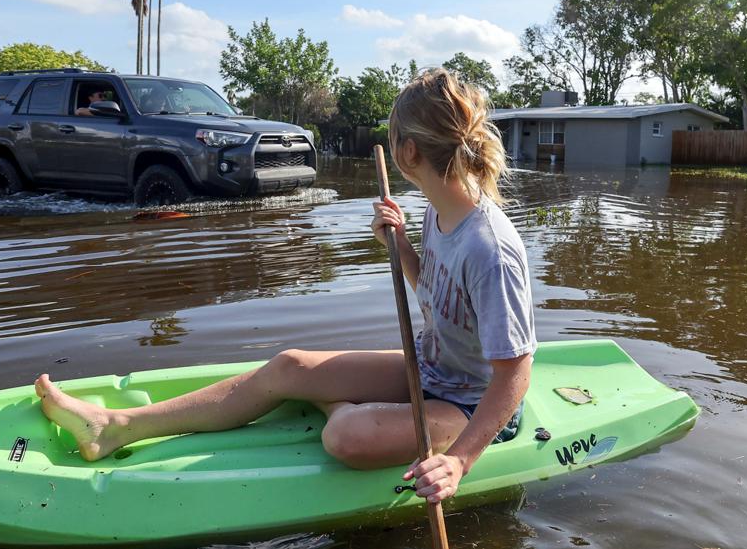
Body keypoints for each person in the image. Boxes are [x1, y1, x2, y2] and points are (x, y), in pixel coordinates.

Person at [35, 68, 536, 504]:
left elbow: (514, 374)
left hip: (469, 403)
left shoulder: (490, 248)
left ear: (407, 151)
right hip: (427, 369)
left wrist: (460, 462)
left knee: (345, 435)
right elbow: (435, 292)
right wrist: (401, 243)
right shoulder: (436, 210)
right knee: (291, 365)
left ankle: (353, 409)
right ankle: (117, 427)